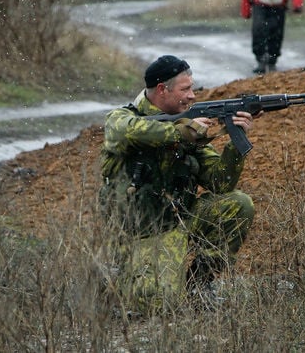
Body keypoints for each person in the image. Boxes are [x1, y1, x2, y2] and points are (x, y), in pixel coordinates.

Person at [99, 55, 256, 312]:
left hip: (180, 222)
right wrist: (182, 132)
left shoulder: (186, 125)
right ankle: (117, 276)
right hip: (141, 235)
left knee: (238, 204)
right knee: (157, 304)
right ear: (162, 89)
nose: (192, 96)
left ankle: (198, 285)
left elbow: (220, 182)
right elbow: (124, 131)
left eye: (192, 88)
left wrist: (234, 143)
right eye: (185, 89)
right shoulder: (123, 119)